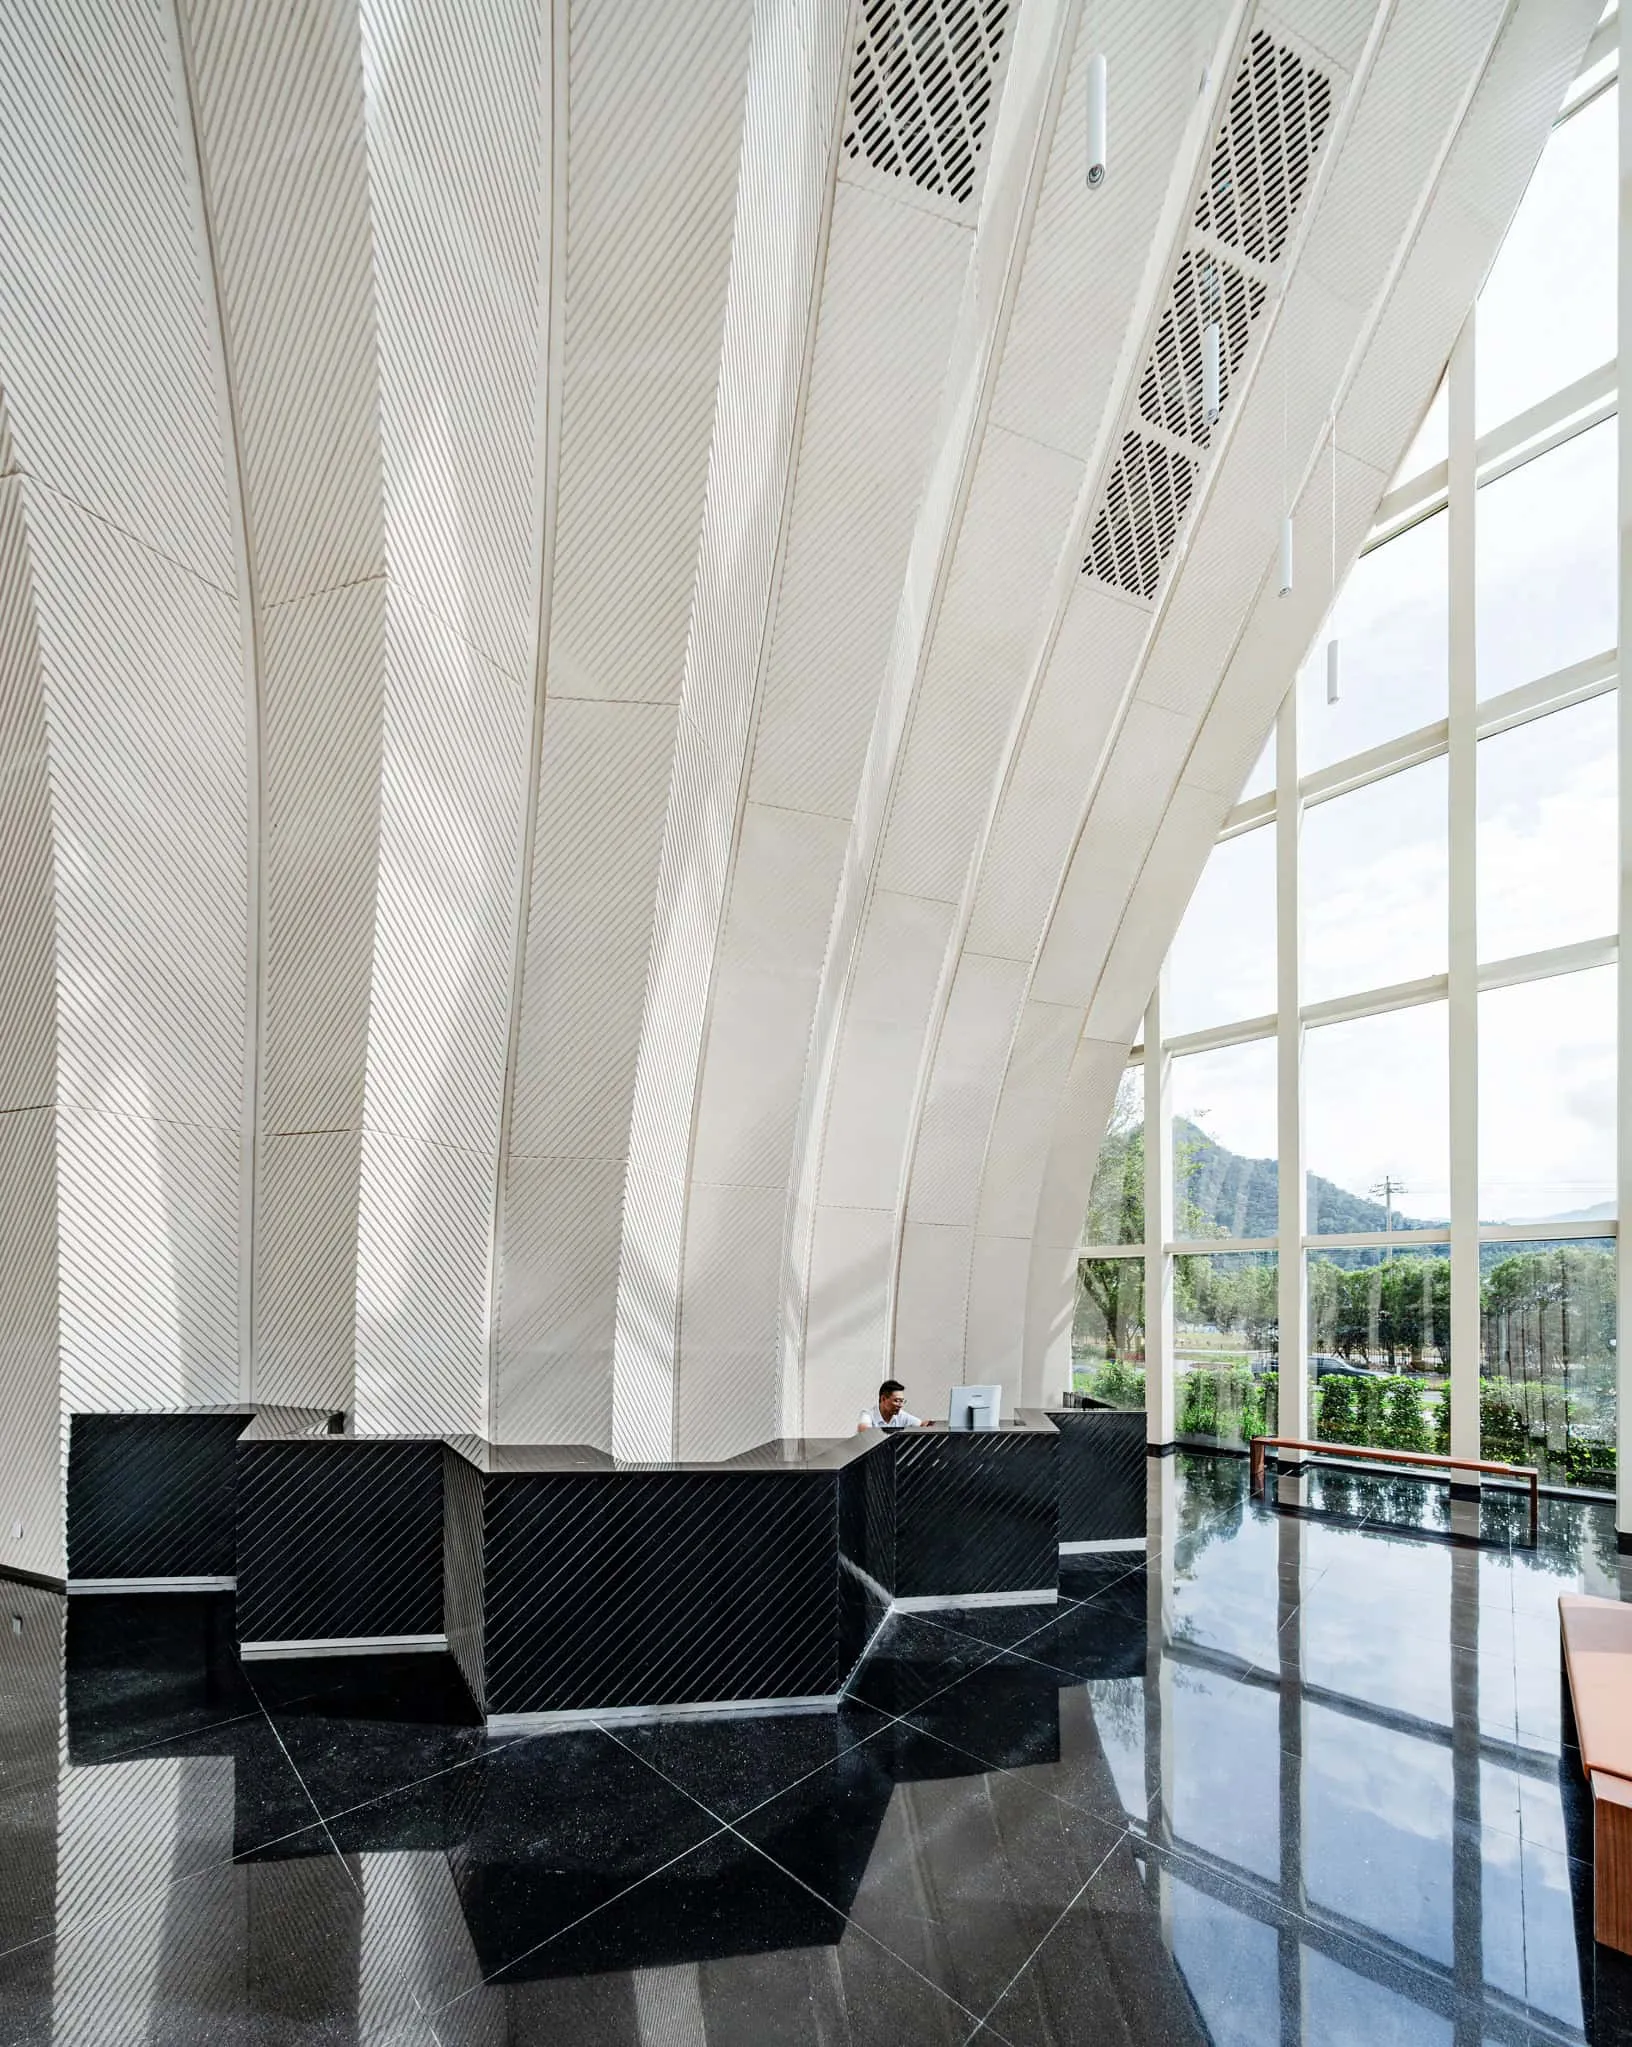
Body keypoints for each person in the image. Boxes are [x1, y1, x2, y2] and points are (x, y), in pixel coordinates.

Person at [856, 1379, 924, 1432]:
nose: (900, 1405)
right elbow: (864, 1430)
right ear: (883, 1399)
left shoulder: (901, 1415)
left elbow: (922, 1425)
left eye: (902, 1401)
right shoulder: (868, 1414)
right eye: (897, 1401)